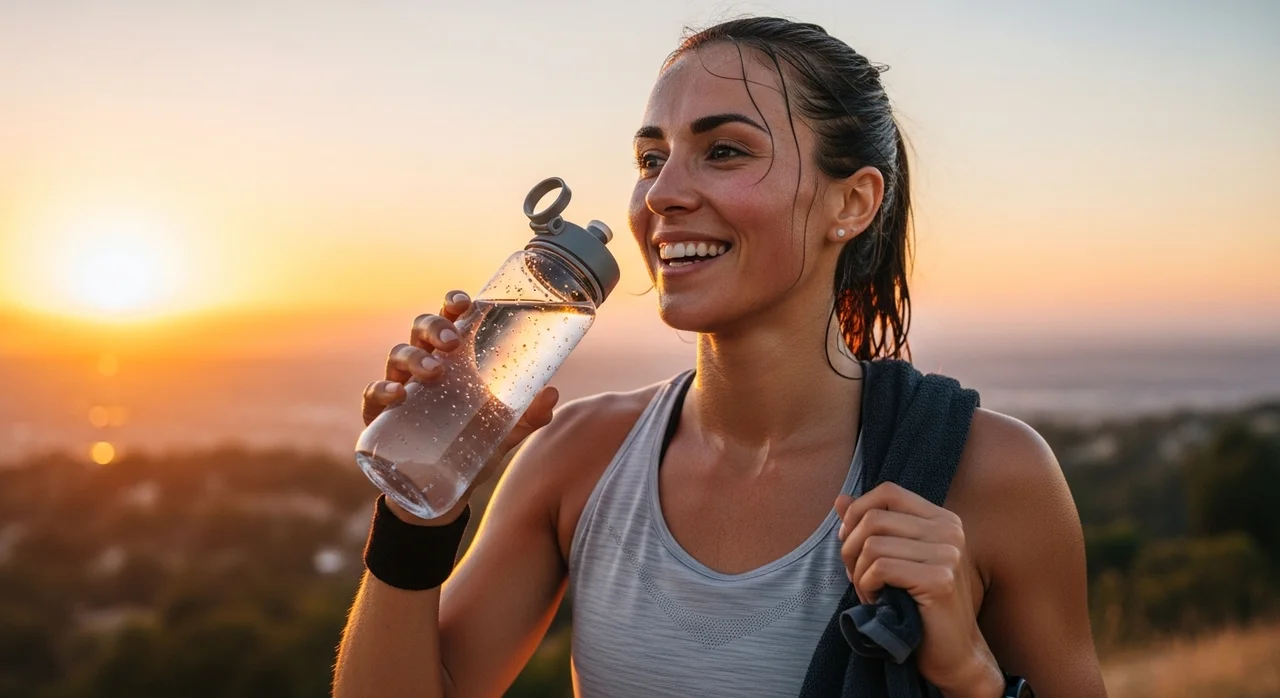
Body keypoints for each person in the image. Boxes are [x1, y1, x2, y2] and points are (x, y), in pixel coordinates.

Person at [333, 16, 1104, 698]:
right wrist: (419, 500)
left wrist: (971, 675)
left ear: (852, 202)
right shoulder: (576, 460)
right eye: (649, 159)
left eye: (725, 150)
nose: (662, 193)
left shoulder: (990, 475)